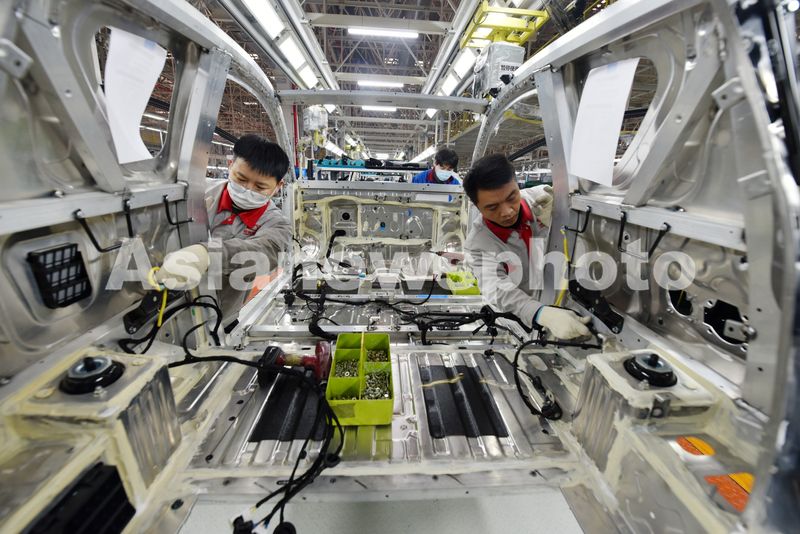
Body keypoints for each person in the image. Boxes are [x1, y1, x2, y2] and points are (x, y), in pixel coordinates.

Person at [157, 134, 292, 317]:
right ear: (230, 165)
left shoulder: (277, 224)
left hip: (220, 318)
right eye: (241, 179)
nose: (247, 189)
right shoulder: (195, 193)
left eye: (260, 187)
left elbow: (265, 252)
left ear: (278, 186)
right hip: (166, 308)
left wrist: (205, 255)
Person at [463, 153, 591, 340]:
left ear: (517, 185)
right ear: (477, 206)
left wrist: (562, 212)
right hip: (527, 319)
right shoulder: (478, 244)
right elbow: (497, 288)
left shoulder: (545, 199)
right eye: (492, 207)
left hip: (570, 299)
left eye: (511, 197)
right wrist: (542, 313)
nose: (507, 212)